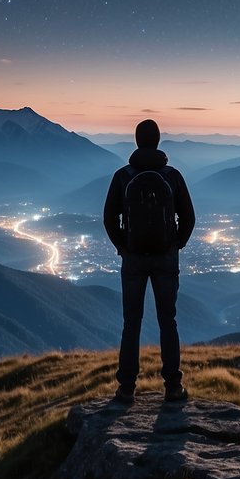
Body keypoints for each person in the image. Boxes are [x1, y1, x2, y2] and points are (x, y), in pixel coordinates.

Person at [103, 118, 195, 403]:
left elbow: (109, 218)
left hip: (133, 259)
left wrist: (123, 247)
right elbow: (189, 218)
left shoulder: (123, 176)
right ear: (158, 141)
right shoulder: (172, 176)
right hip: (166, 258)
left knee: (132, 322)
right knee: (168, 321)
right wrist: (176, 243)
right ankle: (173, 387)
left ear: (136, 140)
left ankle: (127, 387)